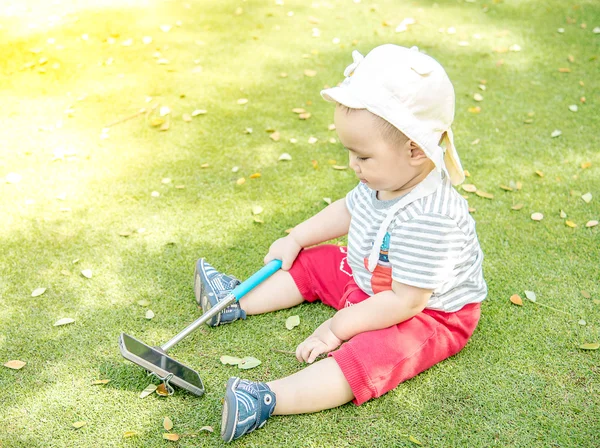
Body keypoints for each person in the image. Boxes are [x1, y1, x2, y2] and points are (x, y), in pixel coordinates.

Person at [194, 44, 487, 442]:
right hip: (372, 276)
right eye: (350, 152)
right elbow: (347, 211)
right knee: (318, 261)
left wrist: (336, 328)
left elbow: (406, 302)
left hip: (427, 313)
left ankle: (266, 399)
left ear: (415, 150)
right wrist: (294, 237)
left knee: (372, 354)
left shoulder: (432, 218)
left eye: (362, 156)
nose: (353, 165)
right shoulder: (385, 177)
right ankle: (234, 301)